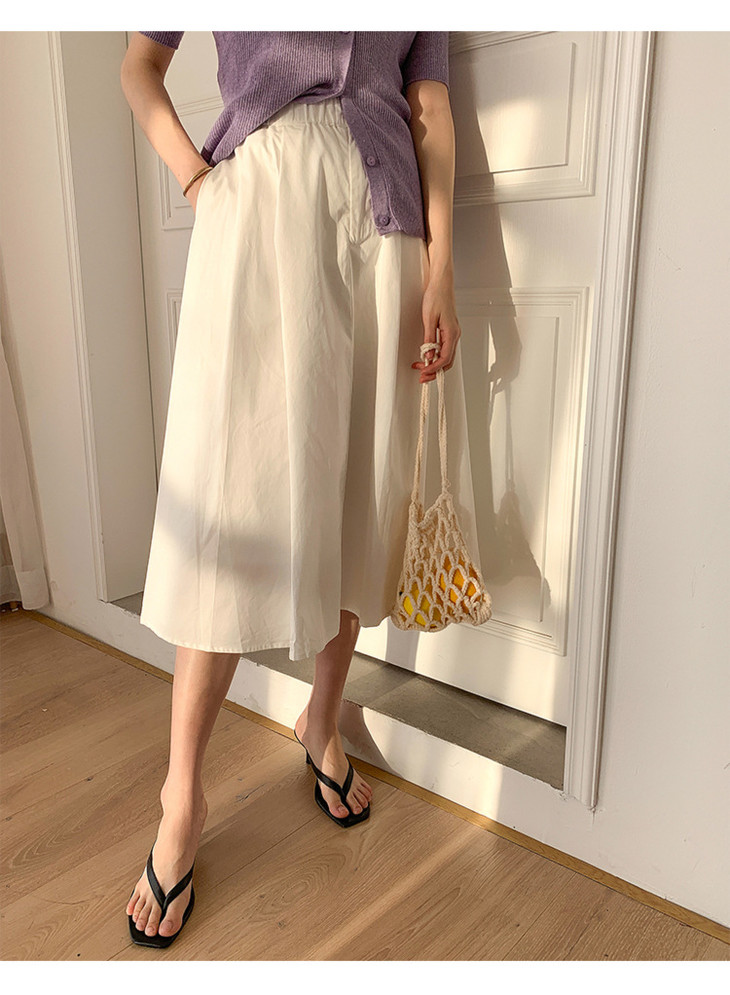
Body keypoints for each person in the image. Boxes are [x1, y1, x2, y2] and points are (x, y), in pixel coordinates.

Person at [120, 30, 463, 947]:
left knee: (358, 492)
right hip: (262, 207)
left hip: (386, 225)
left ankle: (321, 719)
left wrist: (442, 264)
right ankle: (182, 793)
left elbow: (430, 102)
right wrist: (199, 180)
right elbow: (138, 66)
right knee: (234, 497)